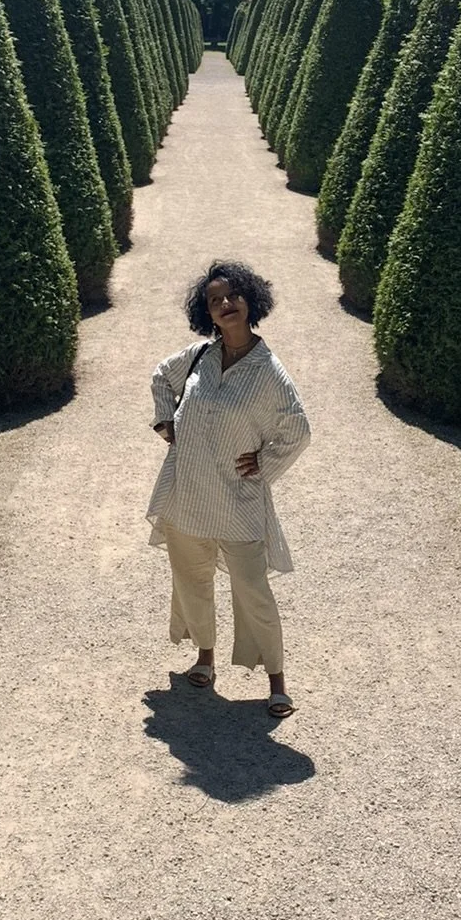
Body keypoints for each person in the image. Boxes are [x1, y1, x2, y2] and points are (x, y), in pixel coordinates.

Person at [147, 260, 310, 717]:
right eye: (215, 299)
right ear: (208, 312)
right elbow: (161, 376)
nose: (225, 304)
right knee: (192, 581)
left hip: (239, 502)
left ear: (250, 301)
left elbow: (298, 431)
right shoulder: (199, 356)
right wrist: (164, 420)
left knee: (253, 591)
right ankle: (205, 657)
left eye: (233, 295)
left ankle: (276, 680)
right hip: (187, 496)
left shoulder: (269, 371)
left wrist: (264, 464)